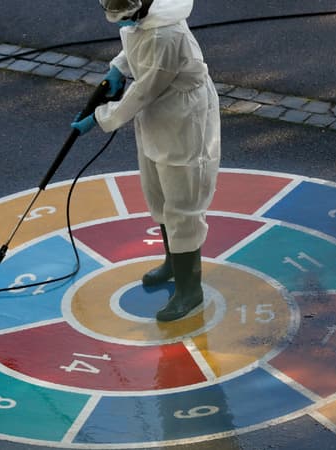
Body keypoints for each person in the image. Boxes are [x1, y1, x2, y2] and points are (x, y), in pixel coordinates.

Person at [71, 0, 221, 322]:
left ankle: (189, 289)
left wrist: (100, 117)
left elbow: (142, 92)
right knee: (157, 191)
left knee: (182, 202)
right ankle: (172, 262)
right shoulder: (146, 15)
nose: (122, 22)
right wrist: (118, 67)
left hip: (183, 119)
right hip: (158, 116)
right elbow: (135, 41)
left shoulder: (165, 35)